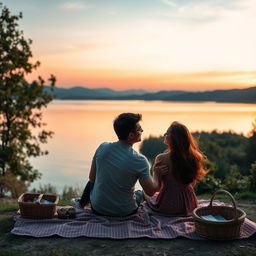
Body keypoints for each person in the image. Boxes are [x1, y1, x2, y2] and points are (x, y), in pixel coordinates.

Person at [72, 113, 167, 217]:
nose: (142, 131)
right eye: (140, 129)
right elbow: (150, 191)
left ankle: (80, 203)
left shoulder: (102, 147)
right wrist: (157, 174)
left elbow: (92, 178)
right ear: (131, 135)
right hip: (125, 212)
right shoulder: (139, 160)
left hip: (98, 209)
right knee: (140, 193)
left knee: (92, 183)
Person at [144, 121, 207, 216]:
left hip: (168, 205)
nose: (164, 134)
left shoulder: (161, 158)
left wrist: (156, 173)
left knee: (144, 193)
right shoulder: (194, 157)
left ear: (174, 138)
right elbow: (192, 184)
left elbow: (156, 188)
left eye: (167, 133)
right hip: (189, 204)